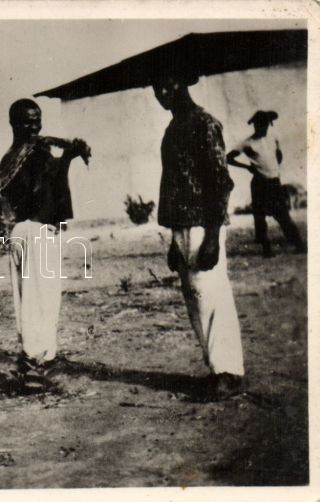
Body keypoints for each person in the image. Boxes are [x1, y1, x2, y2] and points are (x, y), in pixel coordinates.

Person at [152, 73, 244, 400]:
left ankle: (229, 373)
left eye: (169, 84)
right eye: (157, 87)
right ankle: (216, 369)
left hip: (203, 225)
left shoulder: (204, 123)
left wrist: (213, 236)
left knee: (213, 296)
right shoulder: (174, 128)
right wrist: (175, 242)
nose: (163, 92)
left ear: (184, 83)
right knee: (196, 302)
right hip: (182, 227)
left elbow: (221, 182)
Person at [0, 98, 88, 380]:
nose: (35, 125)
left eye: (37, 119)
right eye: (28, 120)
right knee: (38, 298)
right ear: (14, 124)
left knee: (43, 297)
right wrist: (66, 159)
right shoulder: (21, 156)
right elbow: (38, 193)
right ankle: (35, 359)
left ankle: (41, 356)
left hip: (37, 231)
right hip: (32, 231)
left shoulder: (33, 154)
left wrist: (65, 159)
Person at [226, 110, 306, 256]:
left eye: (264, 125)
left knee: (283, 214)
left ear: (268, 125)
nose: (261, 128)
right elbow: (228, 158)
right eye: (258, 125)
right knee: (260, 216)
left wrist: (275, 167)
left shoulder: (273, 138)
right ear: (255, 125)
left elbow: (278, 153)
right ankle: (266, 250)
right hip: (260, 183)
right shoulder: (247, 143)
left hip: (274, 182)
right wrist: (248, 167)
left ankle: (299, 245)